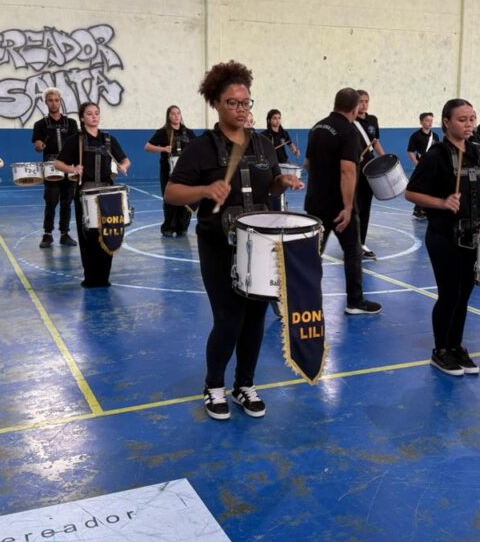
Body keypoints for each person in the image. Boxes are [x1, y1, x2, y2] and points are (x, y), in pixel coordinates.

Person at [165, 61, 303, 420]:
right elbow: (171, 193)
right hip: (218, 246)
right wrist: (204, 189)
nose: (241, 109)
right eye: (233, 103)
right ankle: (214, 386)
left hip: (260, 246)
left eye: (246, 102)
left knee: (255, 320)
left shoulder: (264, 145)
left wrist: (282, 183)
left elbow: (271, 186)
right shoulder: (201, 148)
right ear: (216, 103)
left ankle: (244, 384)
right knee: (228, 319)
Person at [405, 99, 480, 376]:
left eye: (472, 118)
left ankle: (456, 345)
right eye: (462, 119)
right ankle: (441, 350)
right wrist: (442, 202)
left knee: (464, 295)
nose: (469, 124)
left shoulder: (476, 150)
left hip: (473, 234)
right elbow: (411, 193)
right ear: (446, 123)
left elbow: (475, 185)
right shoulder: (436, 155)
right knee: (449, 295)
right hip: (444, 236)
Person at [304, 88, 381, 316]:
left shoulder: (317, 127)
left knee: (312, 255)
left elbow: (307, 164)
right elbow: (348, 170)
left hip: (314, 202)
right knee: (352, 252)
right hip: (338, 207)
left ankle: (305, 302)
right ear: (355, 108)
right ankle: (355, 302)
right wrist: (348, 207)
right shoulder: (349, 131)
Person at [55, 102, 131, 288]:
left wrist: (123, 166)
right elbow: (58, 164)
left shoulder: (108, 140)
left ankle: (104, 277)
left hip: (108, 193)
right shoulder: (76, 140)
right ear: (82, 118)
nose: (94, 116)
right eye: (89, 114)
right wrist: (73, 169)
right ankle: (90, 277)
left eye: (97, 113)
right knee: (88, 237)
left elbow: (125, 160)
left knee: (108, 233)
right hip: (85, 193)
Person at [32, 87, 79, 248]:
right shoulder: (40, 124)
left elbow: (77, 143)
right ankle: (48, 234)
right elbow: (37, 145)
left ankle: (64, 234)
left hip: (68, 166)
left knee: (67, 201)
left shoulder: (71, 123)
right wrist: (39, 146)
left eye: (57, 100)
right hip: (51, 167)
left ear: (60, 102)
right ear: (46, 102)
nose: (54, 103)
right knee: (51, 201)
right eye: (50, 100)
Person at [145, 105, 196, 237]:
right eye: (173, 114)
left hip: (186, 173)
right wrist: (163, 149)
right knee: (170, 199)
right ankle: (168, 227)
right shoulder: (163, 132)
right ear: (168, 116)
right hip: (168, 171)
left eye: (178, 113)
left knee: (186, 199)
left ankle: (182, 227)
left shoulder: (188, 132)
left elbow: (197, 148)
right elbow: (147, 147)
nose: (176, 116)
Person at [354, 90, 386, 260]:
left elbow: (375, 142)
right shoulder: (350, 121)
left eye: (366, 101)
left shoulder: (373, 120)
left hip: (369, 168)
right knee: (354, 206)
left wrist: (384, 158)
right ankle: (351, 242)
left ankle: (361, 242)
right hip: (353, 169)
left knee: (365, 206)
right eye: (361, 101)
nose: (364, 104)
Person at [407, 112, 439, 219]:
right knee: (421, 187)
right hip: (421, 165)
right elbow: (410, 151)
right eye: (427, 120)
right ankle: (418, 209)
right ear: (421, 122)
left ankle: (427, 208)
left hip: (433, 165)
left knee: (432, 187)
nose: (430, 123)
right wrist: (416, 163)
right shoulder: (416, 136)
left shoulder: (435, 136)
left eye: (431, 120)